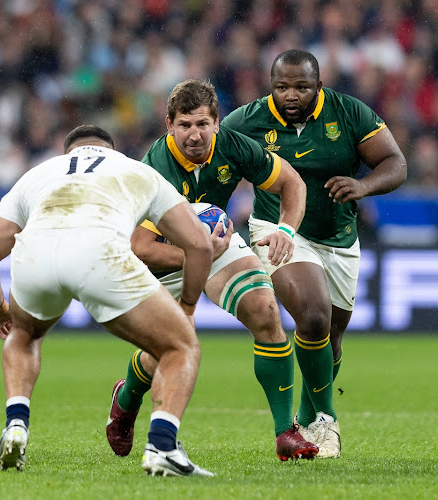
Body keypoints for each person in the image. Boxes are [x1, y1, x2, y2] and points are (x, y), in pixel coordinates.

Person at [0, 125, 216, 477]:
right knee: (181, 347)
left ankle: (16, 426)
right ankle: (162, 446)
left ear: (68, 152)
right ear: (111, 150)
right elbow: (200, 246)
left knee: (23, 336)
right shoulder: (137, 170)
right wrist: (188, 307)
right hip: (99, 251)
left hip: (36, 253)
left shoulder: (37, 174)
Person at [106, 79, 318, 462]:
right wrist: (197, 256)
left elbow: (292, 182)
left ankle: (285, 432)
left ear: (217, 123)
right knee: (165, 353)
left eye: (202, 124)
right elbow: (141, 247)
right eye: (185, 125)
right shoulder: (154, 170)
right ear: (169, 125)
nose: (194, 134)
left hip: (215, 243)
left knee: (266, 312)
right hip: (164, 257)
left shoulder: (232, 146)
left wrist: (286, 229)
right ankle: (126, 397)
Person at [222, 49, 408, 458]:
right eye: (282, 87)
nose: (291, 95)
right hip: (279, 229)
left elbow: (395, 162)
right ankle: (326, 417)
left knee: (331, 338)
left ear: (318, 86)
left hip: (339, 236)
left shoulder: (349, 113)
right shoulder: (246, 122)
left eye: (302, 87)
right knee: (312, 314)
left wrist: (364, 186)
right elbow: (219, 169)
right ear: (270, 86)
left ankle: (308, 417)